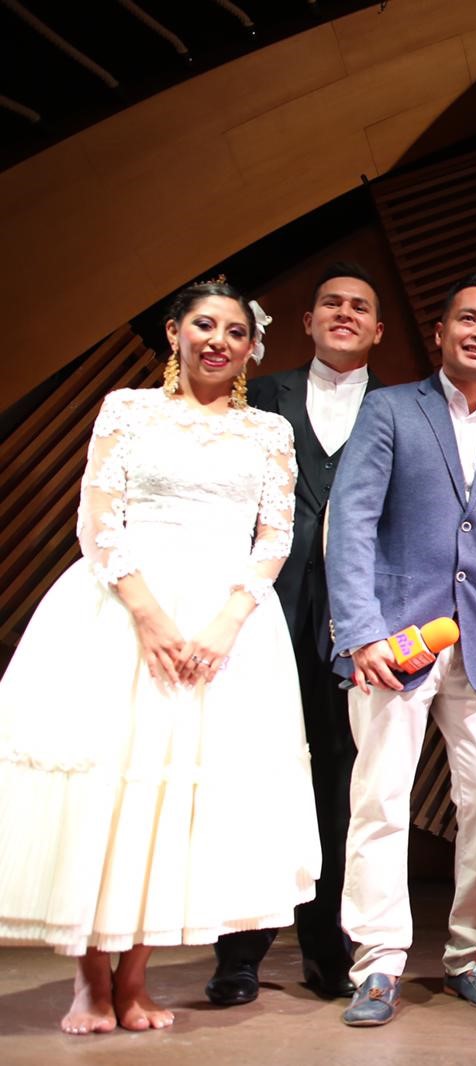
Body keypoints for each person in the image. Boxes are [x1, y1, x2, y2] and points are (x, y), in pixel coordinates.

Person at [0, 279, 320, 1034]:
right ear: (175, 333)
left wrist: (227, 622)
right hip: (120, 612)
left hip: (223, 627)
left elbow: (275, 536)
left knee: (177, 798)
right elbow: (97, 518)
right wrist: (145, 614)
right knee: (108, 792)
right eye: (204, 325)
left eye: (236, 331)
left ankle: (136, 977)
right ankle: (89, 980)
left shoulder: (268, 431)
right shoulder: (128, 409)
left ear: (252, 347)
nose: (219, 341)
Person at [326, 269, 476, 1026]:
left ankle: (469, 954)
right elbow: (351, 523)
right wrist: (359, 631)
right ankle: (377, 963)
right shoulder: (391, 409)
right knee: (380, 799)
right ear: (440, 332)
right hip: (392, 641)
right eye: (469, 319)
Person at [206, 262, 385, 1006]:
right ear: (307, 321)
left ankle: (325, 949)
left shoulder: (402, 409)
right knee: (252, 778)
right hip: (263, 616)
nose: (344, 313)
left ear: (379, 330)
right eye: (330, 304)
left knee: (341, 788)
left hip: (355, 628)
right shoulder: (259, 395)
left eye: (359, 307)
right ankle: (238, 953)